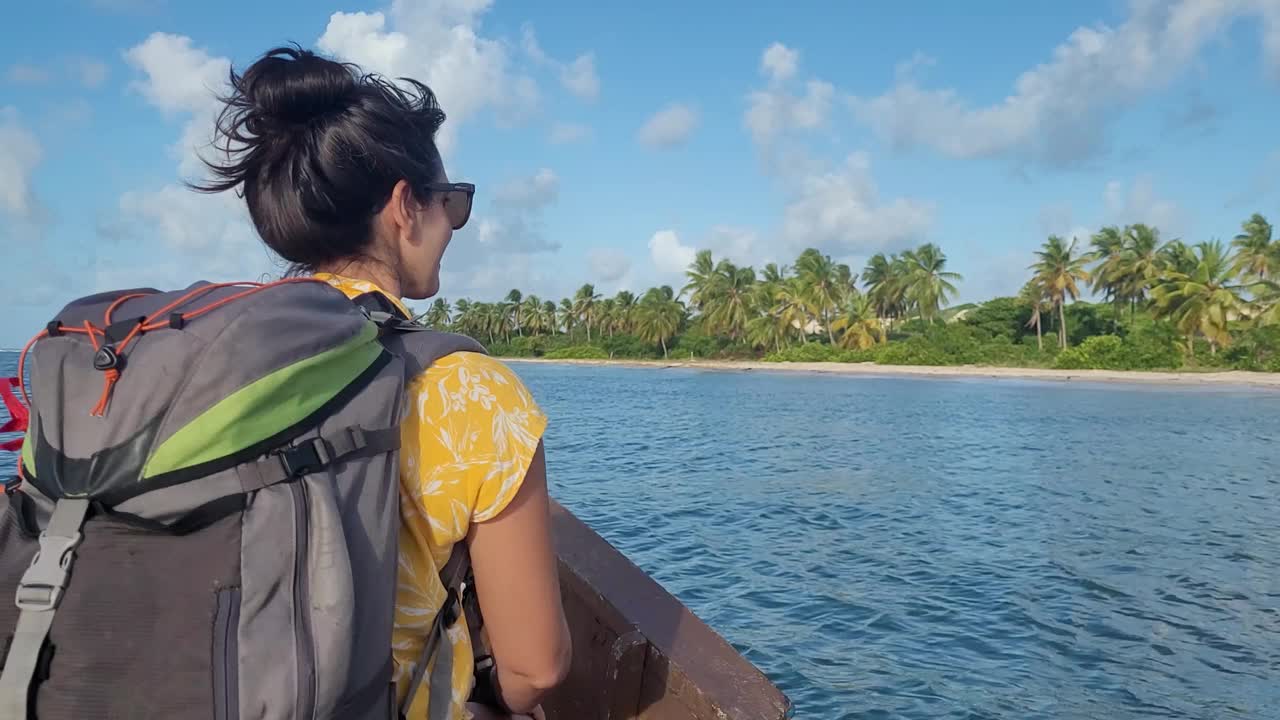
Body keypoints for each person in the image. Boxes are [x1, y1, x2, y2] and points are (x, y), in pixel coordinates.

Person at [194, 45, 572, 720]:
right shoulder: (470, 391)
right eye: (452, 205)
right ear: (405, 207)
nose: (452, 226)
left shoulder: (203, 356)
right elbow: (535, 665)